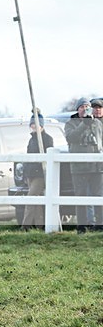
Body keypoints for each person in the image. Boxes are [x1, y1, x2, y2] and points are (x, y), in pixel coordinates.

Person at [64, 97, 103, 233]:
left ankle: (99, 225)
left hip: (96, 166)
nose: (85, 109)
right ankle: (82, 226)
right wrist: (84, 124)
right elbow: (71, 137)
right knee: (80, 196)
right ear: (78, 109)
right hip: (79, 168)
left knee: (98, 196)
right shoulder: (70, 123)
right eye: (82, 107)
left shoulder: (97, 123)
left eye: (87, 106)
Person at [20, 113, 53, 230]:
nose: (34, 126)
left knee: (30, 198)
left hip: (40, 175)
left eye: (36, 124)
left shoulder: (47, 139)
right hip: (30, 174)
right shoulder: (31, 140)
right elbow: (28, 158)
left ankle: (25, 226)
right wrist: (25, 174)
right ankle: (40, 225)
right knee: (37, 200)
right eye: (32, 124)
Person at [90, 98, 103, 231]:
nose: (97, 110)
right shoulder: (89, 123)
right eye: (95, 107)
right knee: (95, 194)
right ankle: (98, 222)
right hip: (94, 166)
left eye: (99, 107)